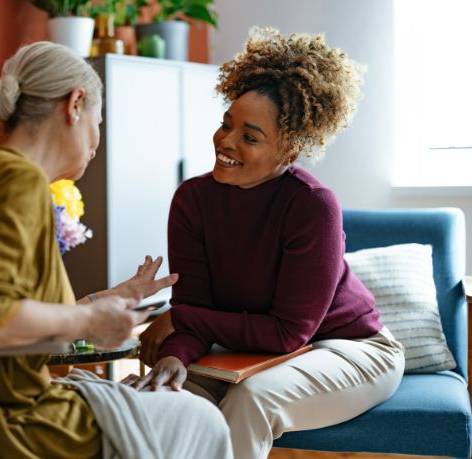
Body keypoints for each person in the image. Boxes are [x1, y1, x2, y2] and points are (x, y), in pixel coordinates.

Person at [0, 41, 232, 459]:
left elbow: (2, 309)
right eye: (99, 122)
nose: (96, 142)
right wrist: (90, 318)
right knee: (198, 418)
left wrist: (108, 300)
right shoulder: (16, 181)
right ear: (75, 103)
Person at [123, 27, 406, 459]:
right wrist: (176, 356)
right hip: (248, 351)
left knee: (250, 400)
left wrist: (182, 319)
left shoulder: (313, 206)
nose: (226, 142)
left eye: (250, 137)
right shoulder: (192, 200)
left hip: (351, 349)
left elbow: (287, 333)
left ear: (289, 151)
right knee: (164, 399)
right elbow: (196, 303)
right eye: (226, 124)